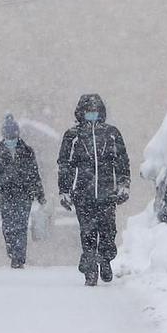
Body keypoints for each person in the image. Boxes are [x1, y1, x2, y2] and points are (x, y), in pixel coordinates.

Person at [56, 92, 130, 286]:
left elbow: (122, 162)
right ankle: (90, 267)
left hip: (107, 193)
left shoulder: (112, 134)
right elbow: (65, 165)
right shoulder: (72, 136)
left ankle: (105, 259)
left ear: (101, 112)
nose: (92, 114)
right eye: (88, 111)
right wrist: (64, 191)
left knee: (107, 231)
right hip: (83, 193)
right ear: (81, 113)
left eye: (95, 111)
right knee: (87, 232)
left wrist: (123, 185)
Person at [0, 115, 44, 269]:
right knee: (8, 225)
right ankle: (12, 250)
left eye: (13, 134)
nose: (11, 137)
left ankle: (19, 256)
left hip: (23, 194)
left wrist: (40, 194)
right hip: (5, 195)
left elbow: (34, 173)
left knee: (21, 225)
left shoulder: (27, 151)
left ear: (18, 133)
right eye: (8, 134)